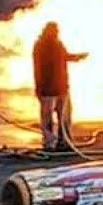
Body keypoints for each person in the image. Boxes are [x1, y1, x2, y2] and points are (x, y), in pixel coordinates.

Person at [32, 21, 88, 151]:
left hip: (61, 87)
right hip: (47, 90)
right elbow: (41, 67)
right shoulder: (41, 45)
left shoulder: (57, 43)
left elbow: (63, 57)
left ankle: (65, 142)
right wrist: (40, 89)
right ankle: (50, 144)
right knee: (48, 119)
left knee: (65, 117)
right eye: (54, 31)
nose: (56, 33)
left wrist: (76, 57)